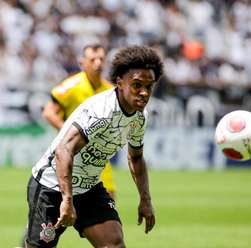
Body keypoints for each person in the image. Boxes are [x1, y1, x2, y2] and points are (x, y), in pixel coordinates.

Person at [24, 45, 164, 248]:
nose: (143, 92)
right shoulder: (101, 111)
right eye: (136, 85)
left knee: (114, 244)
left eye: (149, 86)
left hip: (89, 188)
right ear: (120, 83)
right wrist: (67, 199)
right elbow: (64, 150)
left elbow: (135, 158)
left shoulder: (140, 117)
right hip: (52, 185)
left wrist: (145, 199)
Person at [42, 43, 116, 197]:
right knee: (63, 207)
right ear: (82, 62)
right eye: (93, 59)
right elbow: (49, 113)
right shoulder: (72, 86)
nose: (98, 63)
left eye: (101, 59)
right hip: (73, 155)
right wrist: (71, 134)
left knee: (109, 199)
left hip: (99, 156)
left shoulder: (110, 91)